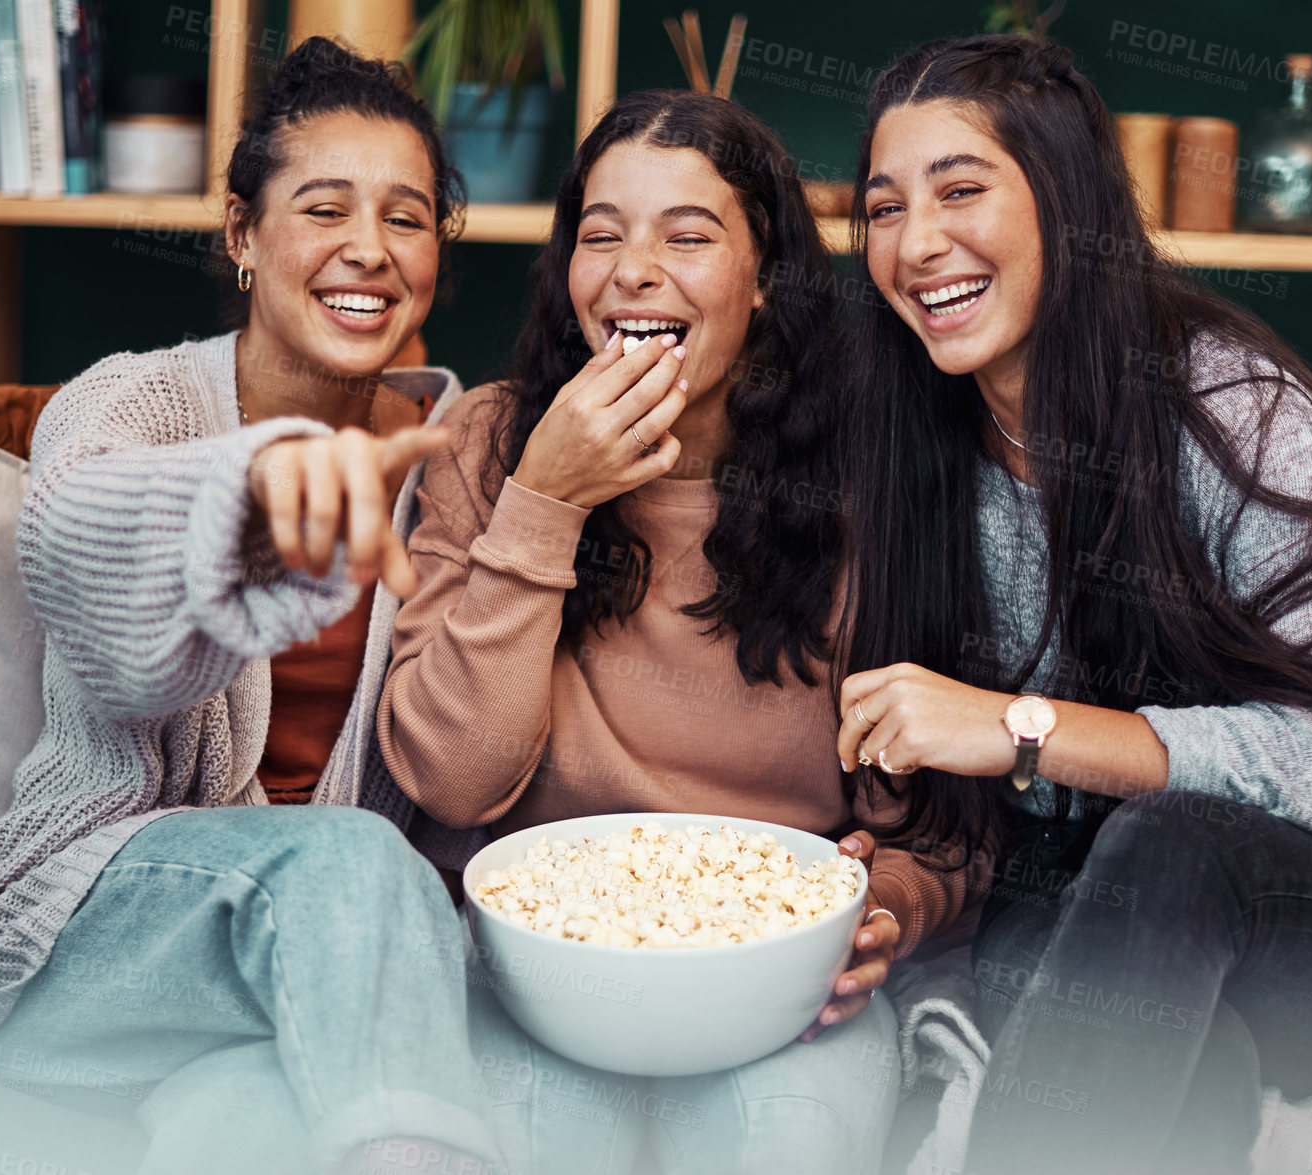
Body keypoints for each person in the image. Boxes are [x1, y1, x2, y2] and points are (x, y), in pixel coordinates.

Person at [0, 38, 503, 1175]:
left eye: (406, 217)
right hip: (85, 935)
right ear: (240, 232)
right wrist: (254, 492)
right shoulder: (128, 401)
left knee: (256, 1114)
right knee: (346, 857)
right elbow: (81, 551)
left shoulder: (459, 455)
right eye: (324, 207)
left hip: (328, 968)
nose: (369, 247)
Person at [832, 34, 1312, 1175]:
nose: (916, 244)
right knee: (1176, 1055)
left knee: (1163, 842)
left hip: (1308, 930)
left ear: (1064, 201)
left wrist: (1016, 725)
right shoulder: (905, 437)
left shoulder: (1226, 409)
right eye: (881, 208)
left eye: (959, 189)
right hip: (1072, 916)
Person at [376, 90, 973, 1175]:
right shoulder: (488, 440)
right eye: (599, 235)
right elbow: (452, 782)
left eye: (686, 236)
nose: (632, 270)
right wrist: (545, 501)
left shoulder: (873, 480)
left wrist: (884, 907)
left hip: (777, 981)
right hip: (526, 973)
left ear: (760, 279)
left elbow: (933, 832)